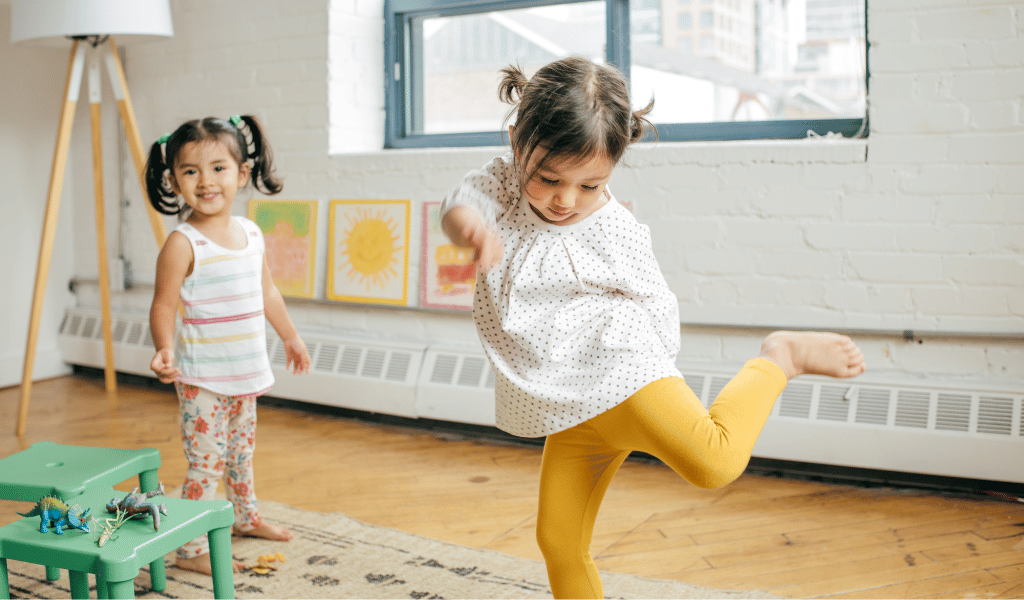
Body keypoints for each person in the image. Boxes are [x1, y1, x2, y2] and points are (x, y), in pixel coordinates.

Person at [439, 57, 866, 599]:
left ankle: (779, 356)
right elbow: (459, 205)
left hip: (624, 374)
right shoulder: (500, 184)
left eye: (591, 184)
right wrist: (468, 228)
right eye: (549, 179)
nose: (566, 200)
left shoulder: (615, 228)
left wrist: (658, 375)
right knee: (559, 541)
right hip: (566, 403)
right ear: (516, 144)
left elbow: (655, 303)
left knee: (713, 461)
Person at [145, 115, 311, 574]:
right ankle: (192, 547)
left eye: (218, 168)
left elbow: (268, 293)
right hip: (202, 381)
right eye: (191, 171)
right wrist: (164, 349)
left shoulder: (251, 233)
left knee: (241, 455)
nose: (206, 181)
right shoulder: (182, 243)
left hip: (245, 374)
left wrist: (291, 337)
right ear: (173, 180)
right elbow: (163, 304)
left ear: (241, 173)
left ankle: (245, 517)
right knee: (206, 464)